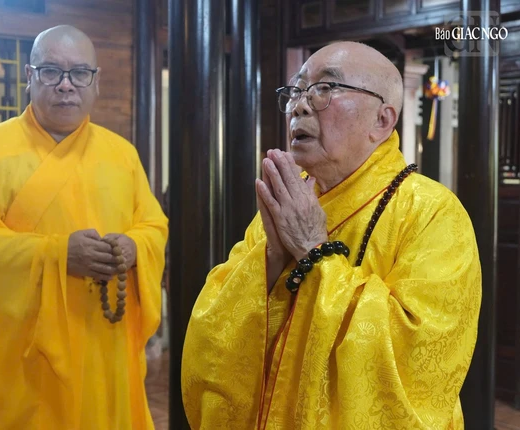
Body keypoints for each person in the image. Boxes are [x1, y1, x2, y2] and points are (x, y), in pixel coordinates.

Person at [181, 41, 481, 429]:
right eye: (296, 90)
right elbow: (213, 329)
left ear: (382, 120)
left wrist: (312, 249)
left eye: (325, 88)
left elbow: (418, 357)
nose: (299, 106)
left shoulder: (432, 212)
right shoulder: (294, 199)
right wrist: (272, 259)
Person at [0, 25, 168, 429]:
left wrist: (136, 247)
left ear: (96, 82)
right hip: (26, 358)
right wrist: (58, 254)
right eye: (51, 71)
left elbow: (153, 225)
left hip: (104, 347)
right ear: (29, 77)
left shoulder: (122, 155)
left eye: (79, 73)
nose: (66, 85)